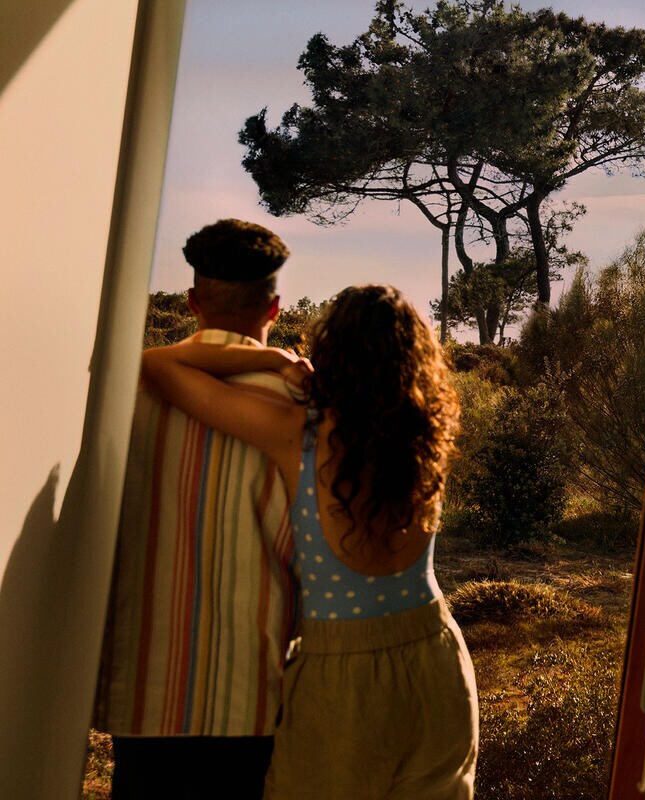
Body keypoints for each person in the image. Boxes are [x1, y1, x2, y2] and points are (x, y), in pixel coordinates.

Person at [139, 283, 478, 799]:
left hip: (343, 679)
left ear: (331, 355)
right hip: (437, 657)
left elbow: (156, 365)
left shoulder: (298, 436)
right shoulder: (428, 439)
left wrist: (276, 360)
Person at [94, 219, 301, 799]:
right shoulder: (298, 403)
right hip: (252, 688)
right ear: (275, 307)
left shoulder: (128, 392)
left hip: (145, 684)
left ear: (190, 301)